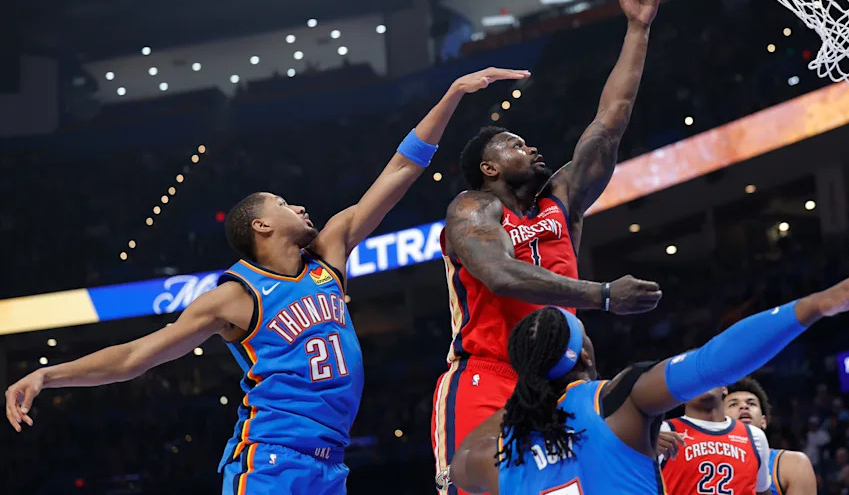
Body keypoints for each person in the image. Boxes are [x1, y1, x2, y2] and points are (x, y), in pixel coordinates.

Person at [4, 67, 528, 495]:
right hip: (271, 460)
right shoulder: (233, 297)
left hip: (331, 463)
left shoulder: (330, 253)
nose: (300, 206)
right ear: (261, 225)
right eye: (284, 204)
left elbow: (401, 168)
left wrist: (454, 92)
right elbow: (135, 357)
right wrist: (49, 376)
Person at [433, 0, 676, 492]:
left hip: (562, 375)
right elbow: (499, 274)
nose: (533, 149)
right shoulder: (470, 208)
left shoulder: (559, 201)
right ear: (489, 169)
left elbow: (609, 123)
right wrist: (604, 295)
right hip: (488, 372)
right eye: (516, 144)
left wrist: (638, 29)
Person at [446, 275, 849, 494]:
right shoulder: (615, 403)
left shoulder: (491, 453)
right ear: (585, 354)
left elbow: (459, 461)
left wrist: (526, 387)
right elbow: (712, 363)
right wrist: (813, 306)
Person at [660, 387, 772, 494]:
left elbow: (762, 490)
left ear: (724, 387)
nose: (702, 381)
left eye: (707, 376)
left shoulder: (754, 435)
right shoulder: (662, 431)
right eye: (694, 379)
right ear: (682, 394)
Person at [725, 377, 818, 495]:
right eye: (733, 404)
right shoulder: (705, 461)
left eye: (751, 403)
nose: (744, 407)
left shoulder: (794, 464)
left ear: (763, 421)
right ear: (719, 419)